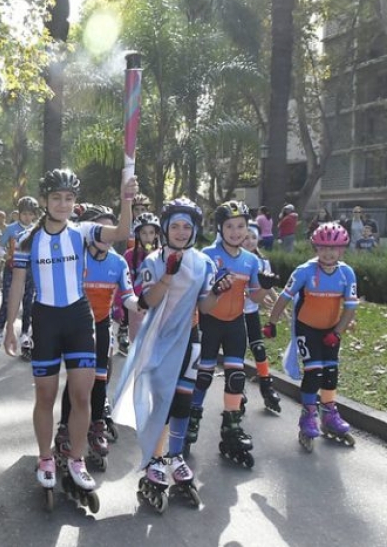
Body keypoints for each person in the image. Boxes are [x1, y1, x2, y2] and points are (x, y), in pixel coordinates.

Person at [4, 168, 138, 507]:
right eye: (56, 198)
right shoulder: (26, 241)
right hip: (45, 320)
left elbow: (123, 231)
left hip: (80, 319)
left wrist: (126, 200)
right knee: (46, 396)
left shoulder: (84, 233)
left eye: (69, 198)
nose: (63, 204)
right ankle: (46, 457)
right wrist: (10, 326)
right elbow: (18, 284)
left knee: (83, 395)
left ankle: (76, 459)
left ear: (74, 202)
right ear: (46, 201)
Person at [111, 198, 220, 511]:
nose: (182, 232)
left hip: (190, 339)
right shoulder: (153, 262)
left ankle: (175, 456)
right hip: (158, 340)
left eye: (187, 226)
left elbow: (205, 307)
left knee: (184, 401)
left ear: (195, 229)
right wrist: (168, 275)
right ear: (165, 229)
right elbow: (149, 301)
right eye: (176, 226)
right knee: (162, 400)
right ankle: (155, 459)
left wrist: (218, 292)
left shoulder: (203, 263)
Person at [187, 201, 274, 468]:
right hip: (210, 323)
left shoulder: (251, 260)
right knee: (202, 377)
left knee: (236, 377)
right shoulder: (207, 256)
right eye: (230, 226)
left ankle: (232, 427)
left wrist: (266, 286)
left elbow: (255, 297)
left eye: (241, 227)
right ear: (220, 228)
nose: (236, 232)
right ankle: (191, 420)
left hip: (236, 324)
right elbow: (198, 299)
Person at [263, 222, 359, 450]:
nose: (328, 253)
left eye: (333, 248)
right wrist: (272, 323)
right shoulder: (305, 270)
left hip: (331, 330)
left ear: (342, 250)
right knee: (314, 372)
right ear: (315, 248)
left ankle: (329, 413)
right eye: (323, 248)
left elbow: (350, 308)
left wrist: (337, 332)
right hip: (307, 328)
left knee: (331, 373)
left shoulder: (346, 273)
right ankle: (308, 415)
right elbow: (284, 297)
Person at [56, 204, 135, 473]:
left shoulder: (118, 262)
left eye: (111, 231)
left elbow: (129, 297)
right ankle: (66, 427)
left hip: (101, 327)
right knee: (77, 381)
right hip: (76, 326)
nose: (107, 236)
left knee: (100, 379)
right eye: (101, 229)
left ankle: (97, 424)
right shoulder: (75, 259)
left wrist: (147, 304)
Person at [0, 196, 38, 355]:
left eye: (31, 214)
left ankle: (24, 334)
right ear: (19, 213)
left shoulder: (37, 230)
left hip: (30, 271)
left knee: (28, 301)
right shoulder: (11, 229)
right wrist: (6, 256)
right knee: (7, 301)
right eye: (24, 214)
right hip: (12, 269)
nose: (27, 217)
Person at [242, 220, 282, 412]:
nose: (249, 241)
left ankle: (267, 387)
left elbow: (268, 285)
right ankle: (238, 388)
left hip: (251, 311)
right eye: (246, 237)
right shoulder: (236, 259)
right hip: (234, 313)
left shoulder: (262, 261)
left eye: (253, 237)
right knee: (237, 351)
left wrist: (277, 303)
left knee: (258, 348)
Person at [120, 212, 161, 352]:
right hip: (137, 306)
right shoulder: (129, 255)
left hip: (157, 306)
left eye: (151, 233)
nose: (148, 237)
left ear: (156, 234)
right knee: (138, 347)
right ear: (137, 234)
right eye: (144, 233)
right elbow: (126, 283)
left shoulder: (162, 255)